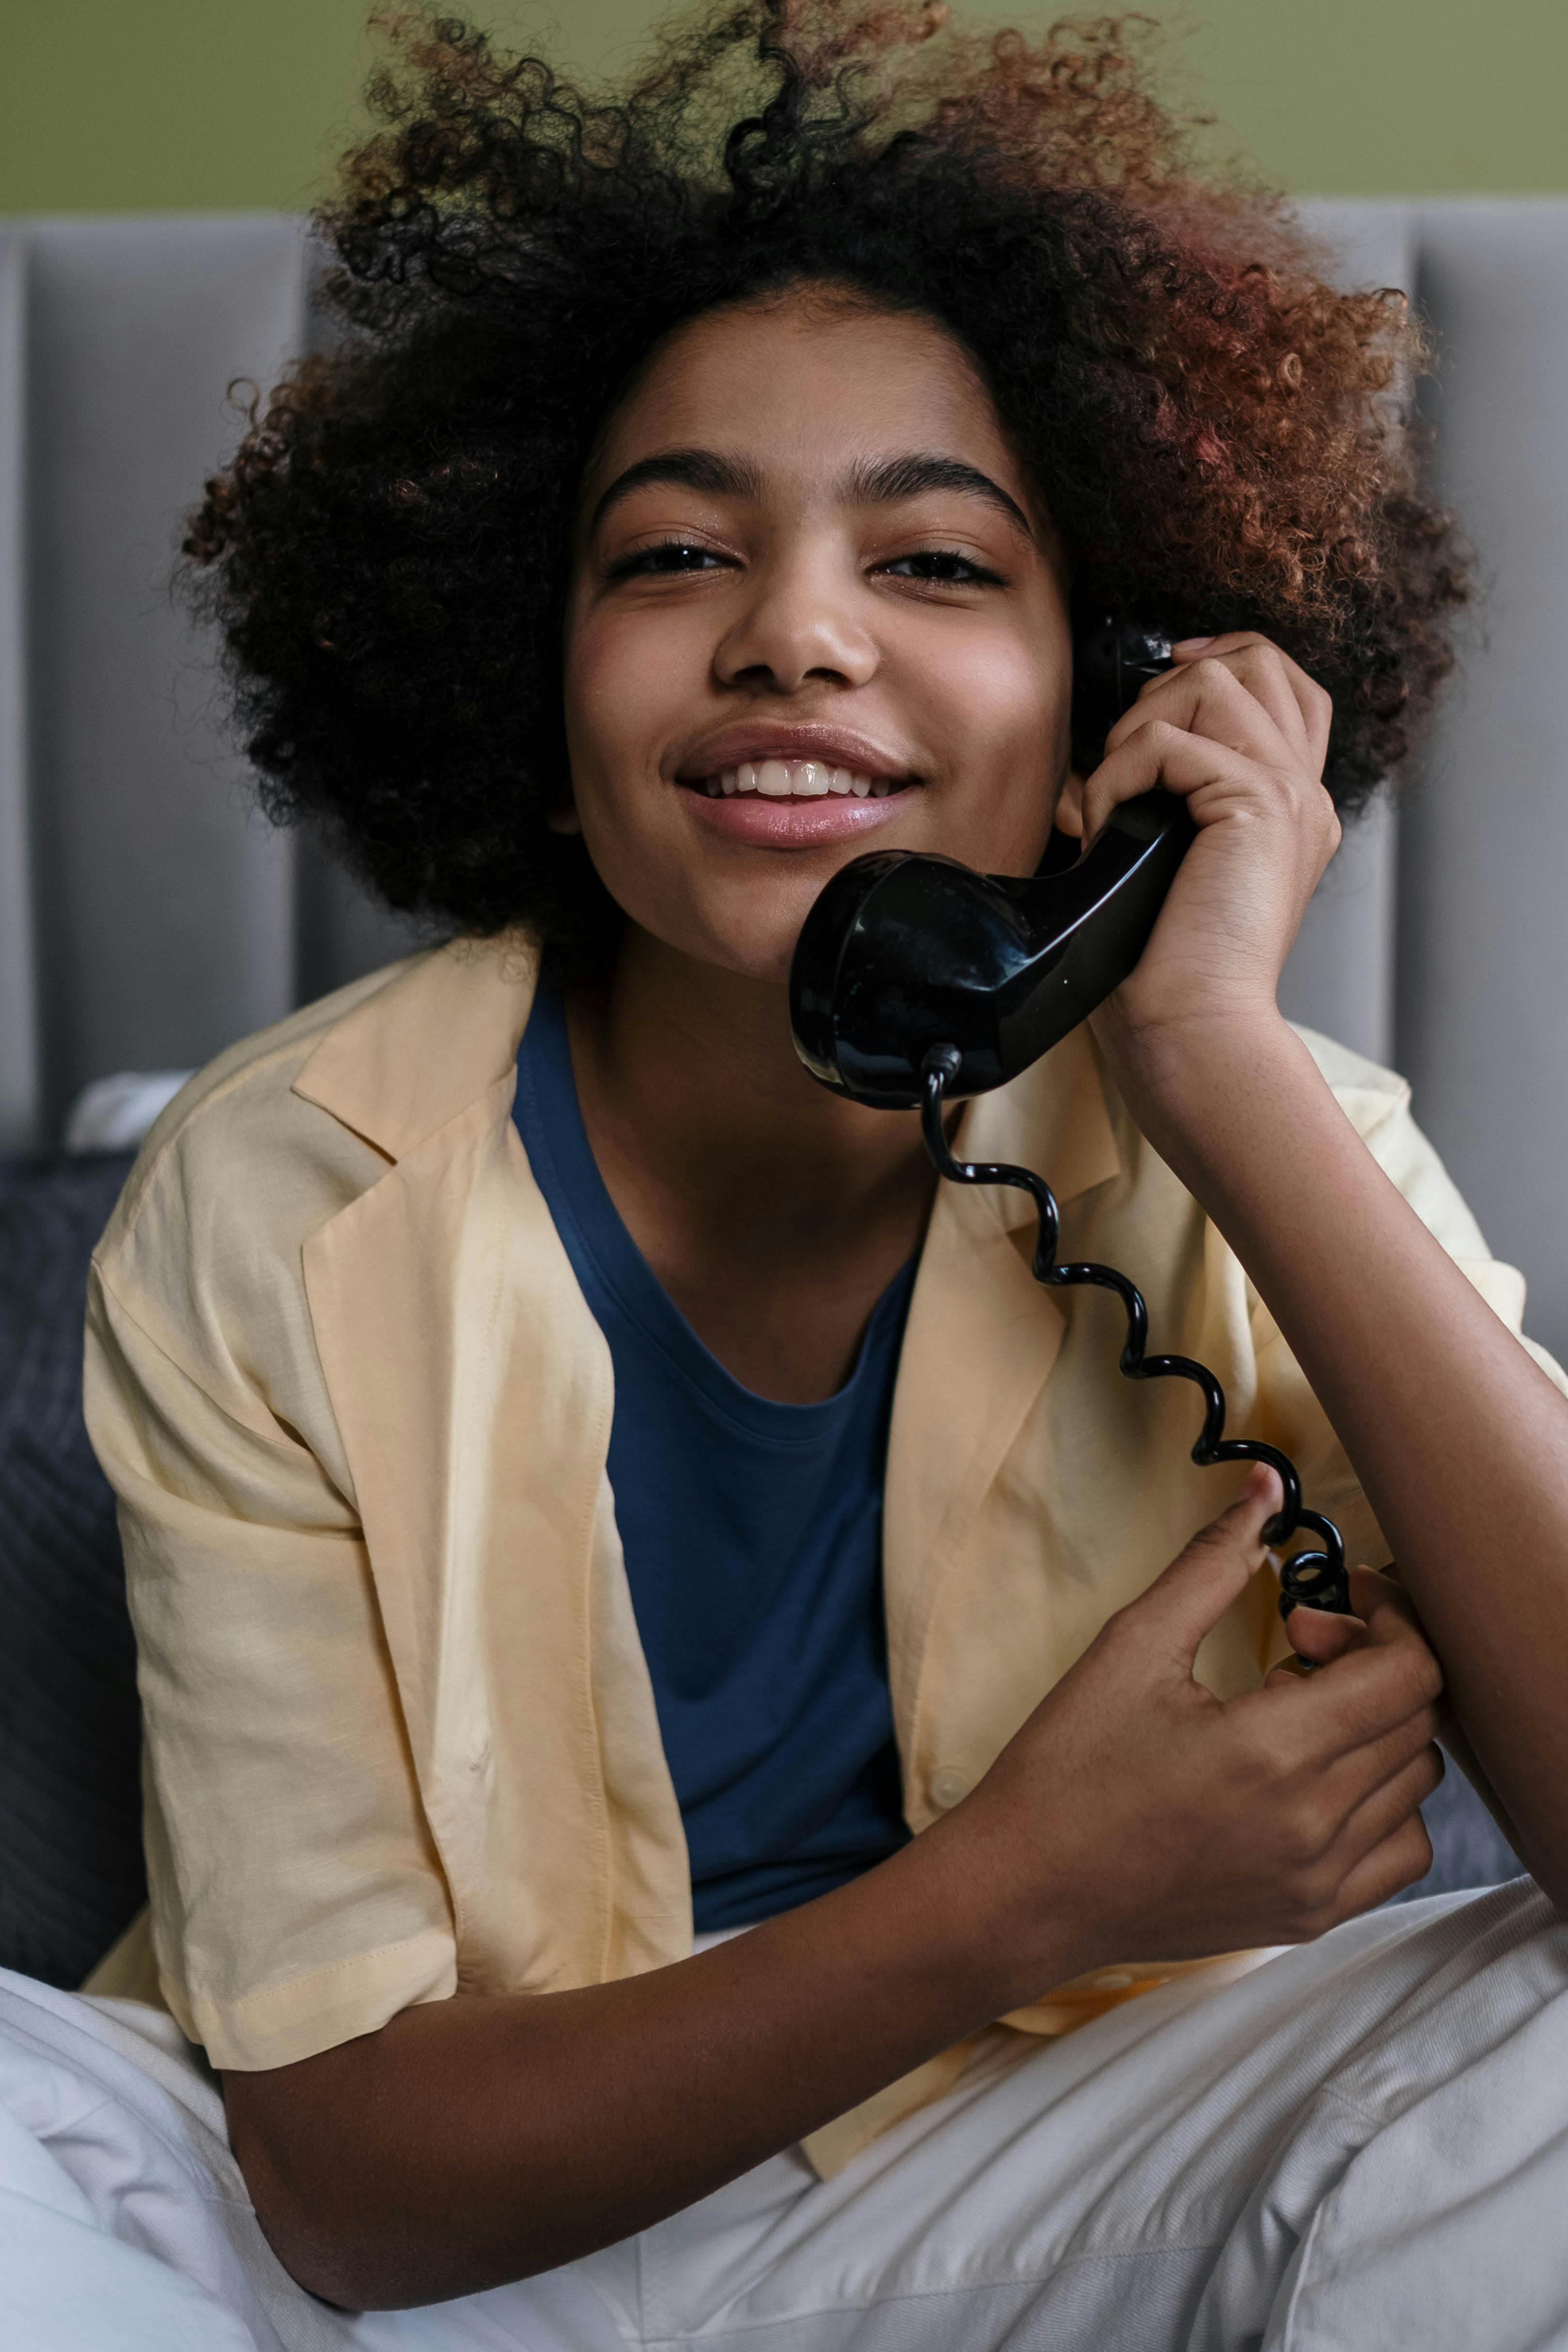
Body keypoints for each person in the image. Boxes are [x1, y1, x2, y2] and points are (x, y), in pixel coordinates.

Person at [9, 4, 1568, 2345]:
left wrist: (1217, 1056)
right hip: (399, 2237)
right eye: (673, 551)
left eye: (937, 562)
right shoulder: (272, 1193)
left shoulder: (1267, 1139)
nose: (796, 631)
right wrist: (1018, 1889)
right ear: (534, 697)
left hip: (1050, 2195)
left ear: (1118, 697)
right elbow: (339, 2178)